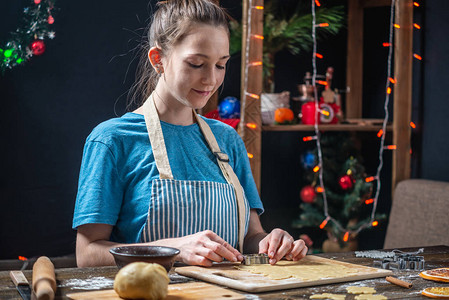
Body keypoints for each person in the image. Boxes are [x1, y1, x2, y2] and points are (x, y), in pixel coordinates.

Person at [73, 0, 308, 268]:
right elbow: (88, 253)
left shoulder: (227, 139)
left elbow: (252, 236)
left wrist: (272, 243)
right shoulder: (113, 140)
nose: (211, 79)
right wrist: (171, 249)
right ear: (158, 59)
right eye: (197, 64)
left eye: (221, 65)